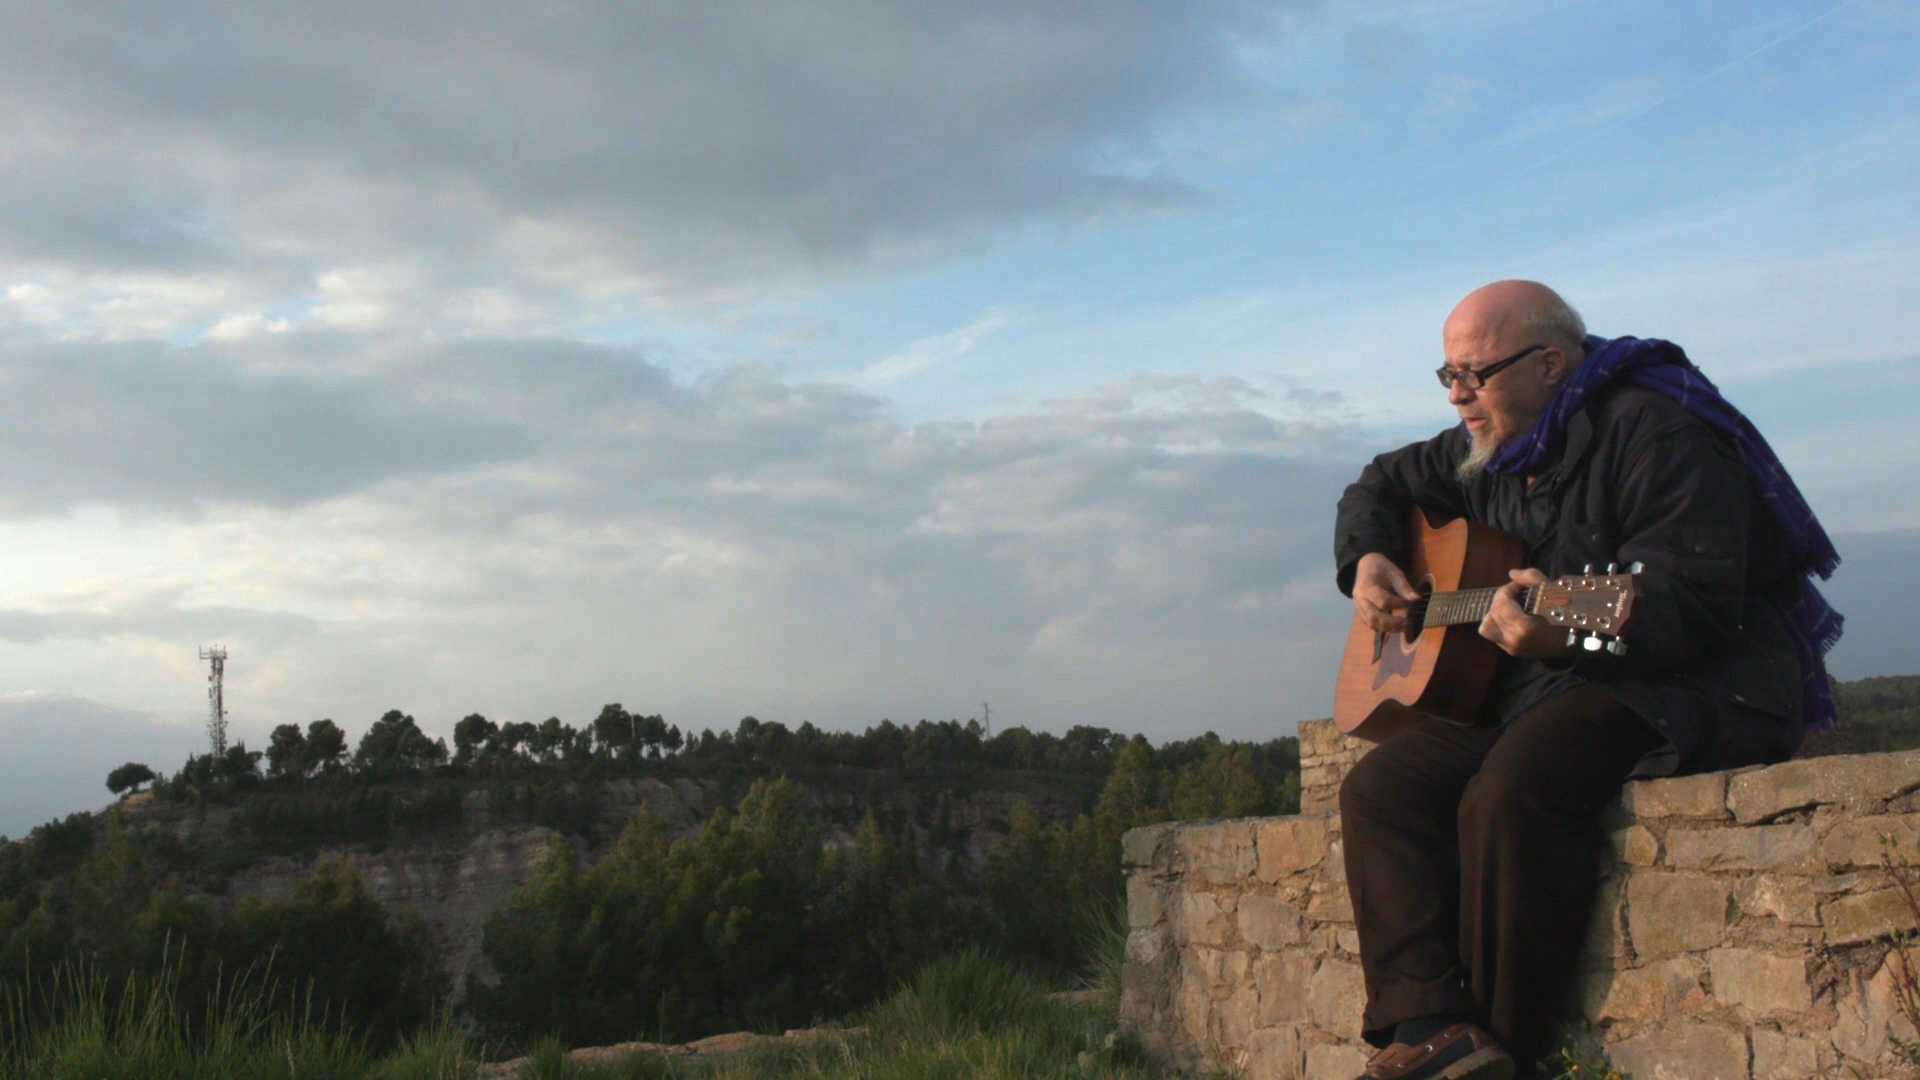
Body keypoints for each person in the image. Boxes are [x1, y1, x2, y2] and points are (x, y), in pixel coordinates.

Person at [1330, 280, 1842, 1080]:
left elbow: (1700, 601)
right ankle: (1430, 1026)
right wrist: (1368, 559)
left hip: (1689, 684)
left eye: (1476, 374)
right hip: (1548, 682)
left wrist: (1565, 627)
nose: (1459, 394)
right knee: (1380, 790)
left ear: (1550, 363)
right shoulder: (1494, 443)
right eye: (1448, 375)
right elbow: (1378, 483)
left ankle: (1504, 1043)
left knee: (1514, 785)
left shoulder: (1659, 433)